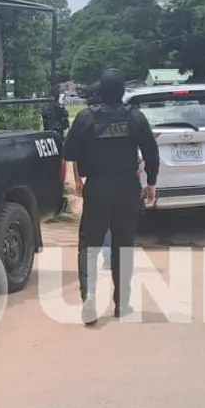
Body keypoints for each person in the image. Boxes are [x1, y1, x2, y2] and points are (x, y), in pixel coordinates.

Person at [63, 68, 160, 326]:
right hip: (127, 188)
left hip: (97, 187)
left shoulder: (85, 118)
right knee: (123, 245)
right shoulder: (135, 117)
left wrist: (78, 181)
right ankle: (122, 304)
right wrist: (151, 182)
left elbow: (70, 151)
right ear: (122, 92)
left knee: (89, 245)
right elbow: (151, 152)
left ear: (100, 91)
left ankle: (90, 297)